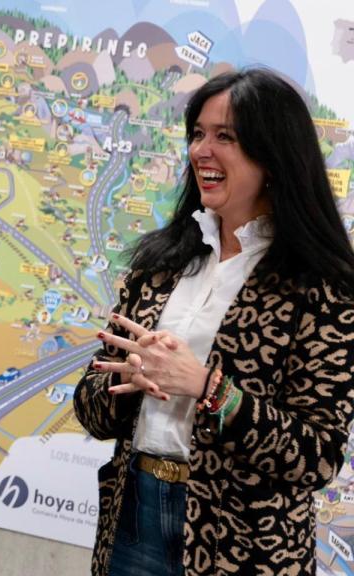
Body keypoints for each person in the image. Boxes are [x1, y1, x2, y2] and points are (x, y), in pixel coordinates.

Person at [74, 67, 354, 576]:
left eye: (225, 136)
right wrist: (131, 381)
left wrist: (208, 388)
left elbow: (316, 456)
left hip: (246, 543)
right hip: (134, 513)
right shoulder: (160, 264)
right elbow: (91, 411)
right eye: (198, 134)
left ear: (273, 156)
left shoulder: (323, 287)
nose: (201, 150)